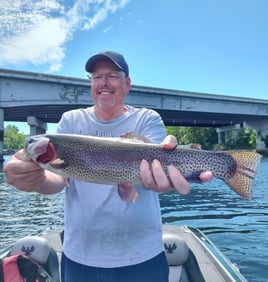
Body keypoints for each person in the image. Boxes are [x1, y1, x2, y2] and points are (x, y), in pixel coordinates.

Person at [3, 51, 212, 282]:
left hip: (143, 253)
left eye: (112, 75)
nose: (103, 82)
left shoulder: (147, 118)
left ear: (127, 83)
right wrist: (36, 180)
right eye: (96, 76)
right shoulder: (71, 121)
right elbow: (60, 179)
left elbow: (154, 173)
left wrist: (171, 177)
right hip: (81, 254)